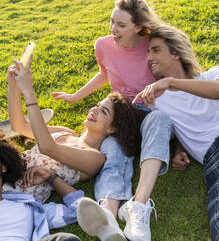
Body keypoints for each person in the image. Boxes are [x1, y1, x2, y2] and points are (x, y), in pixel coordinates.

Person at [76, 25, 218, 241]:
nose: (149, 57)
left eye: (155, 50)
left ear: (175, 52)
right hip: (213, 158)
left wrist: (171, 83)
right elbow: (161, 128)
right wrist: (179, 147)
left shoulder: (211, 75)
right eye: (148, 52)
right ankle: (122, 209)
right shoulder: (156, 100)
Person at [52, 0, 166, 220]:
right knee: (113, 153)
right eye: (112, 21)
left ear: (138, 26)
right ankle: (108, 212)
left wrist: (181, 147)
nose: (113, 28)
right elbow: (105, 73)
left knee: (118, 149)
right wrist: (76, 96)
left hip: (152, 112)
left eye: (121, 25)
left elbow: (176, 84)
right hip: (120, 111)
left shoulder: (154, 46)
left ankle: (124, 209)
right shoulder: (103, 45)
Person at [5, 59, 144, 203]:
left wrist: (28, 92)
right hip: (9, 165)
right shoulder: (66, 132)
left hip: (14, 192)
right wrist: (13, 85)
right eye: (97, 105)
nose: (95, 110)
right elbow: (20, 126)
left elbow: (47, 147)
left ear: (112, 128)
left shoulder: (96, 159)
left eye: (103, 111)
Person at [0, 139, 82, 241]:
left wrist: (51, 177)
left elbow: (79, 210)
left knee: (67, 239)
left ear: (3, 167)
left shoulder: (28, 206)